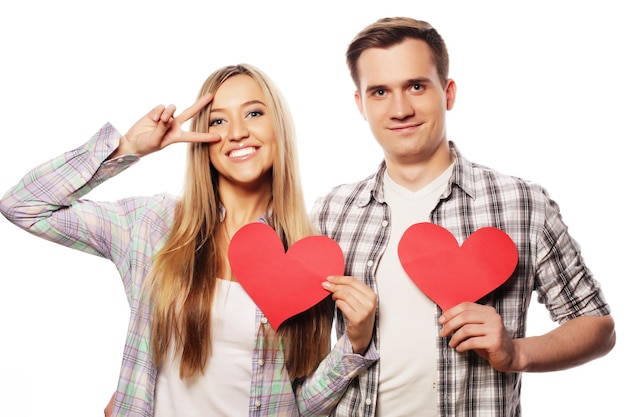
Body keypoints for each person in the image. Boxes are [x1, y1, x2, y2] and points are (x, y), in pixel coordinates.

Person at [0, 64, 377, 417]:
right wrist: (129, 147)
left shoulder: (307, 256)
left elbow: (298, 405)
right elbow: (23, 205)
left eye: (254, 113)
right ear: (204, 140)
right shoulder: (153, 225)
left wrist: (354, 344)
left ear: (279, 127)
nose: (237, 132)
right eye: (218, 120)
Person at [310, 17, 616, 417]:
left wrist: (515, 352)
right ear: (361, 105)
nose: (400, 109)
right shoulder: (333, 212)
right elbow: (287, 347)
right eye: (380, 92)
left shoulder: (522, 203)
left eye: (416, 86)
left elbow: (597, 326)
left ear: (448, 92)